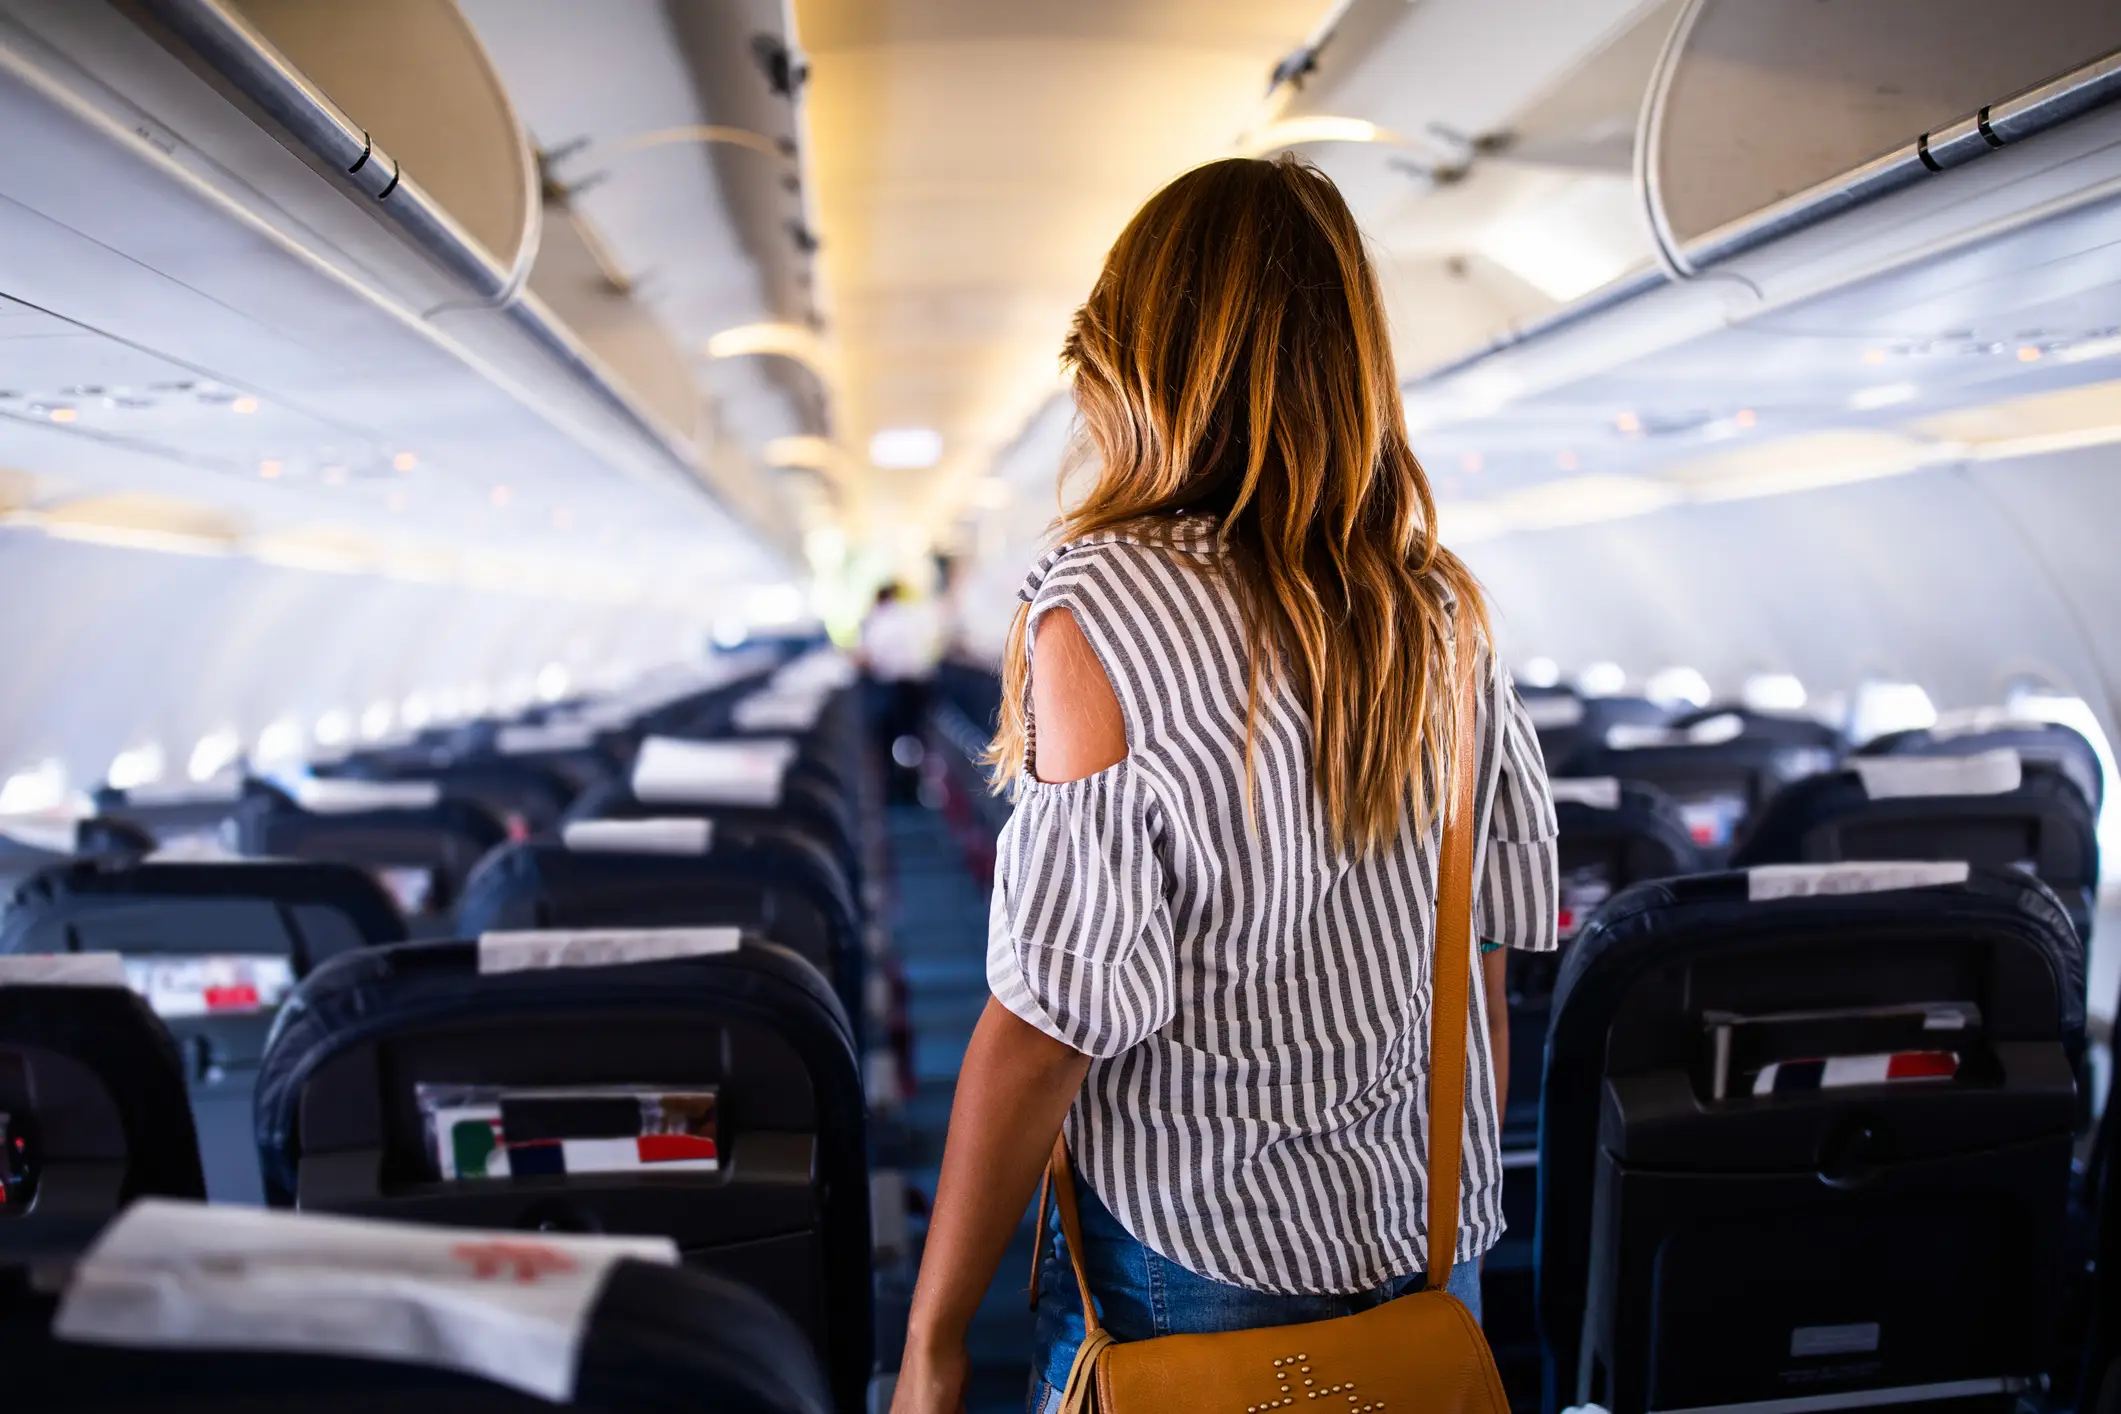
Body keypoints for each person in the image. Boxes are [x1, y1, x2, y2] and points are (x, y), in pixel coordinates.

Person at [890, 155, 1558, 1414]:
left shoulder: (1105, 598)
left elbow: (1051, 1022)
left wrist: (930, 1344)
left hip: (1197, 1254)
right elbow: (1481, 964)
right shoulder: (1439, 609)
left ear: (1138, 365)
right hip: (1425, 1245)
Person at [860, 582, 941, 802]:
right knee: (915, 736)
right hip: (919, 685)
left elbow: (870, 656)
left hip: (892, 687)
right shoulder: (910, 617)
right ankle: (914, 786)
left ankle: (893, 790)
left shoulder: (880, 619)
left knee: (889, 739)